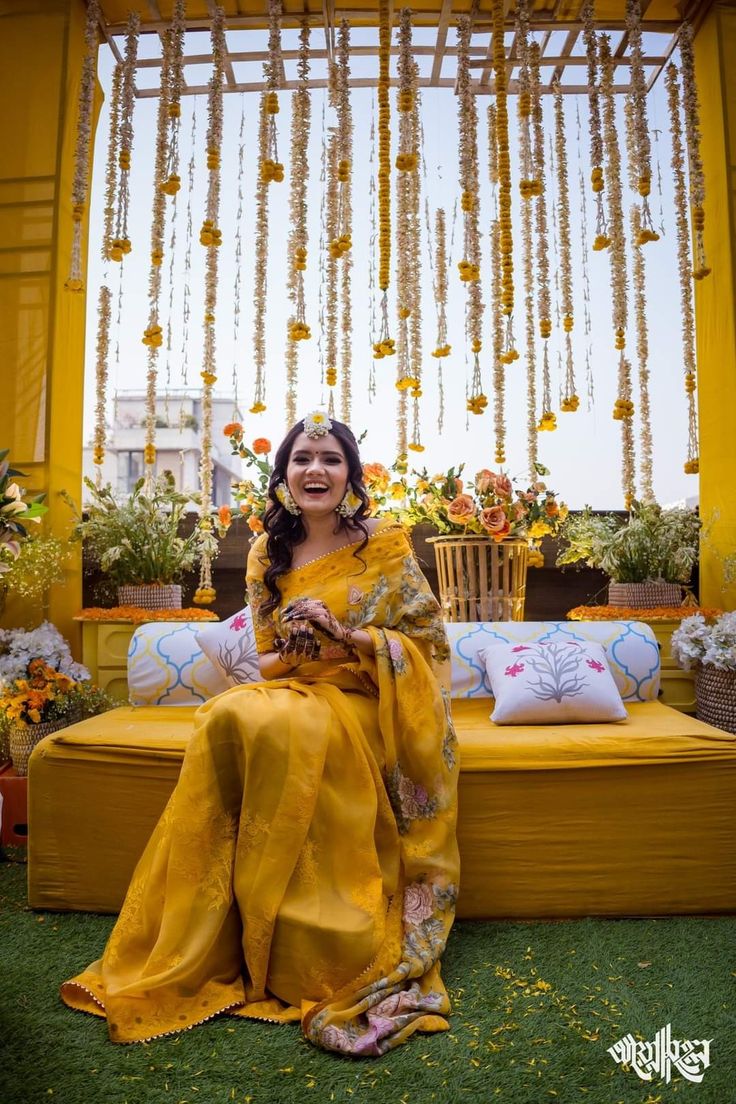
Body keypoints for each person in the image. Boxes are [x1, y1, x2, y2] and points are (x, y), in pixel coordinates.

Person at [60, 412, 460, 1057]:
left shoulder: (382, 544)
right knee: (230, 713)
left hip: (363, 697)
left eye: (331, 459)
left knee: (274, 719)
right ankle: (215, 932)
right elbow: (267, 659)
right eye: (302, 458)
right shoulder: (266, 553)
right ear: (283, 477)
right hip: (295, 687)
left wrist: (346, 637)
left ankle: (319, 941)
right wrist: (299, 643)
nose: (316, 470)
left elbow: (429, 645)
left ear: (351, 476)